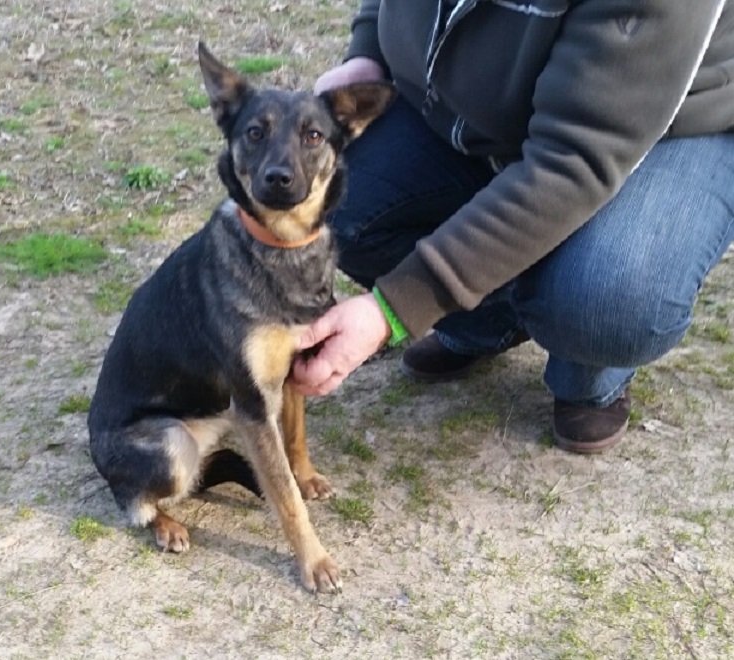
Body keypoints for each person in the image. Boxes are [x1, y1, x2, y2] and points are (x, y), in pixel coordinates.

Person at [289, 1, 734, 453]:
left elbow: (572, 162)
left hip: (664, 123)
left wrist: (399, 306)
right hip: (482, 100)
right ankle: (495, 321)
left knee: (606, 299)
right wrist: (367, 53)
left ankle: (585, 365)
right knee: (327, 202)